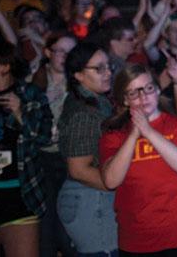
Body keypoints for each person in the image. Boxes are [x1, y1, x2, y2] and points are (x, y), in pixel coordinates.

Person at [99, 65, 177, 256]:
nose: (143, 98)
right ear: (125, 100)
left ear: (158, 90)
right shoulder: (115, 136)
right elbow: (111, 180)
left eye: (148, 89)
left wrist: (148, 132)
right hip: (138, 239)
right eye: (134, 93)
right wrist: (134, 134)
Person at [57, 42, 118, 257]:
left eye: (108, 67)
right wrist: (119, 185)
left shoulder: (96, 102)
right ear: (78, 75)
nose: (108, 73)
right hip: (91, 201)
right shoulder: (83, 112)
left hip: (93, 198)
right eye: (99, 68)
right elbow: (78, 169)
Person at [0, 44, 52, 257]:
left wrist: (20, 113)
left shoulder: (29, 94)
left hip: (20, 195)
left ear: (4, 66)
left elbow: (45, 138)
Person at [32, 32, 77, 257]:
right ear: (48, 53)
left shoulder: (79, 83)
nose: (65, 57)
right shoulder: (34, 80)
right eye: (61, 51)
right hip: (41, 159)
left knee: (68, 223)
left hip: (69, 158)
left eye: (71, 52)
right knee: (46, 223)